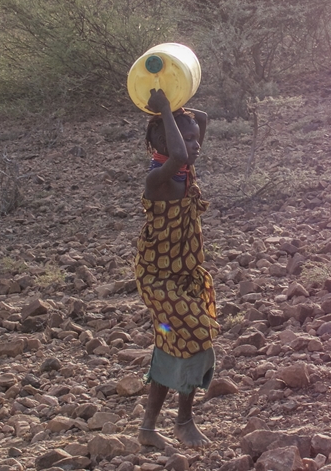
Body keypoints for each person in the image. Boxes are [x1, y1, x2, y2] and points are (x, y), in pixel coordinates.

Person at [135, 89, 217, 448]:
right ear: (166, 145)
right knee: (197, 336)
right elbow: (180, 150)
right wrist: (166, 110)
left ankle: (148, 430)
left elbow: (201, 120)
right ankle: (183, 422)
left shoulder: (184, 169)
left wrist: (175, 104)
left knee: (172, 344)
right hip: (158, 282)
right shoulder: (158, 180)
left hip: (184, 276)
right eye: (186, 141)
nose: (195, 146)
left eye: (194, 142)